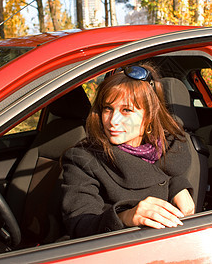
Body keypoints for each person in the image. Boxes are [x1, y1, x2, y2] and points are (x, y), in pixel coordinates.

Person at [61, 64, 195, 238]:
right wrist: (125, 217)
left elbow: (162, 173)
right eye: (107, 108)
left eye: (126, 110)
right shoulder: (83, 158)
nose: (113, 121)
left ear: (149, 116)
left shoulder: (168, 149)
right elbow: (79, 224)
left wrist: (178, 186)